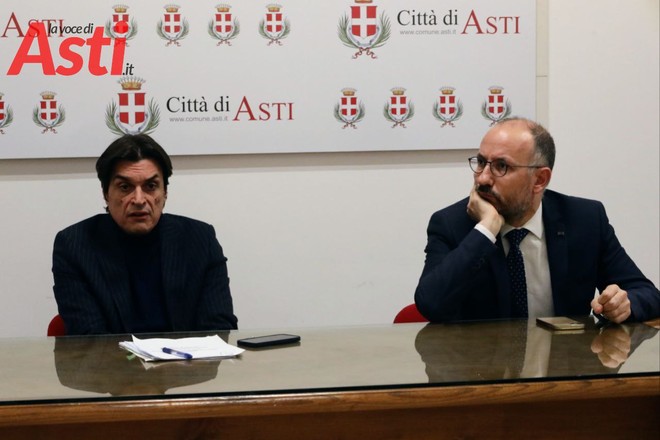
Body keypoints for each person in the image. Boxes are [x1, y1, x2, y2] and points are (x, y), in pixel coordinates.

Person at [415, 117, 660, 323]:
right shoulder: (452, 224)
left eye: (501, 166)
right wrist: (486, 230)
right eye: (481, 163)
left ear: (540, 180)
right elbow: (430, 304)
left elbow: (648, 294)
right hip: (482, 374)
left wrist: (624, 304)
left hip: (564, 373)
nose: (483, 179)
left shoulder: (585, 220)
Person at [52, 134, 238, 335]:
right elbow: (89, 340)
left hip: (187, 364)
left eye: (150, 187)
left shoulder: (200, 239)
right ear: (106, 193)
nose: (139, 199)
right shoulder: (74, 245)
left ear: (165, 192)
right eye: (125, 187)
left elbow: (219, 329)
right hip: (113, 366)